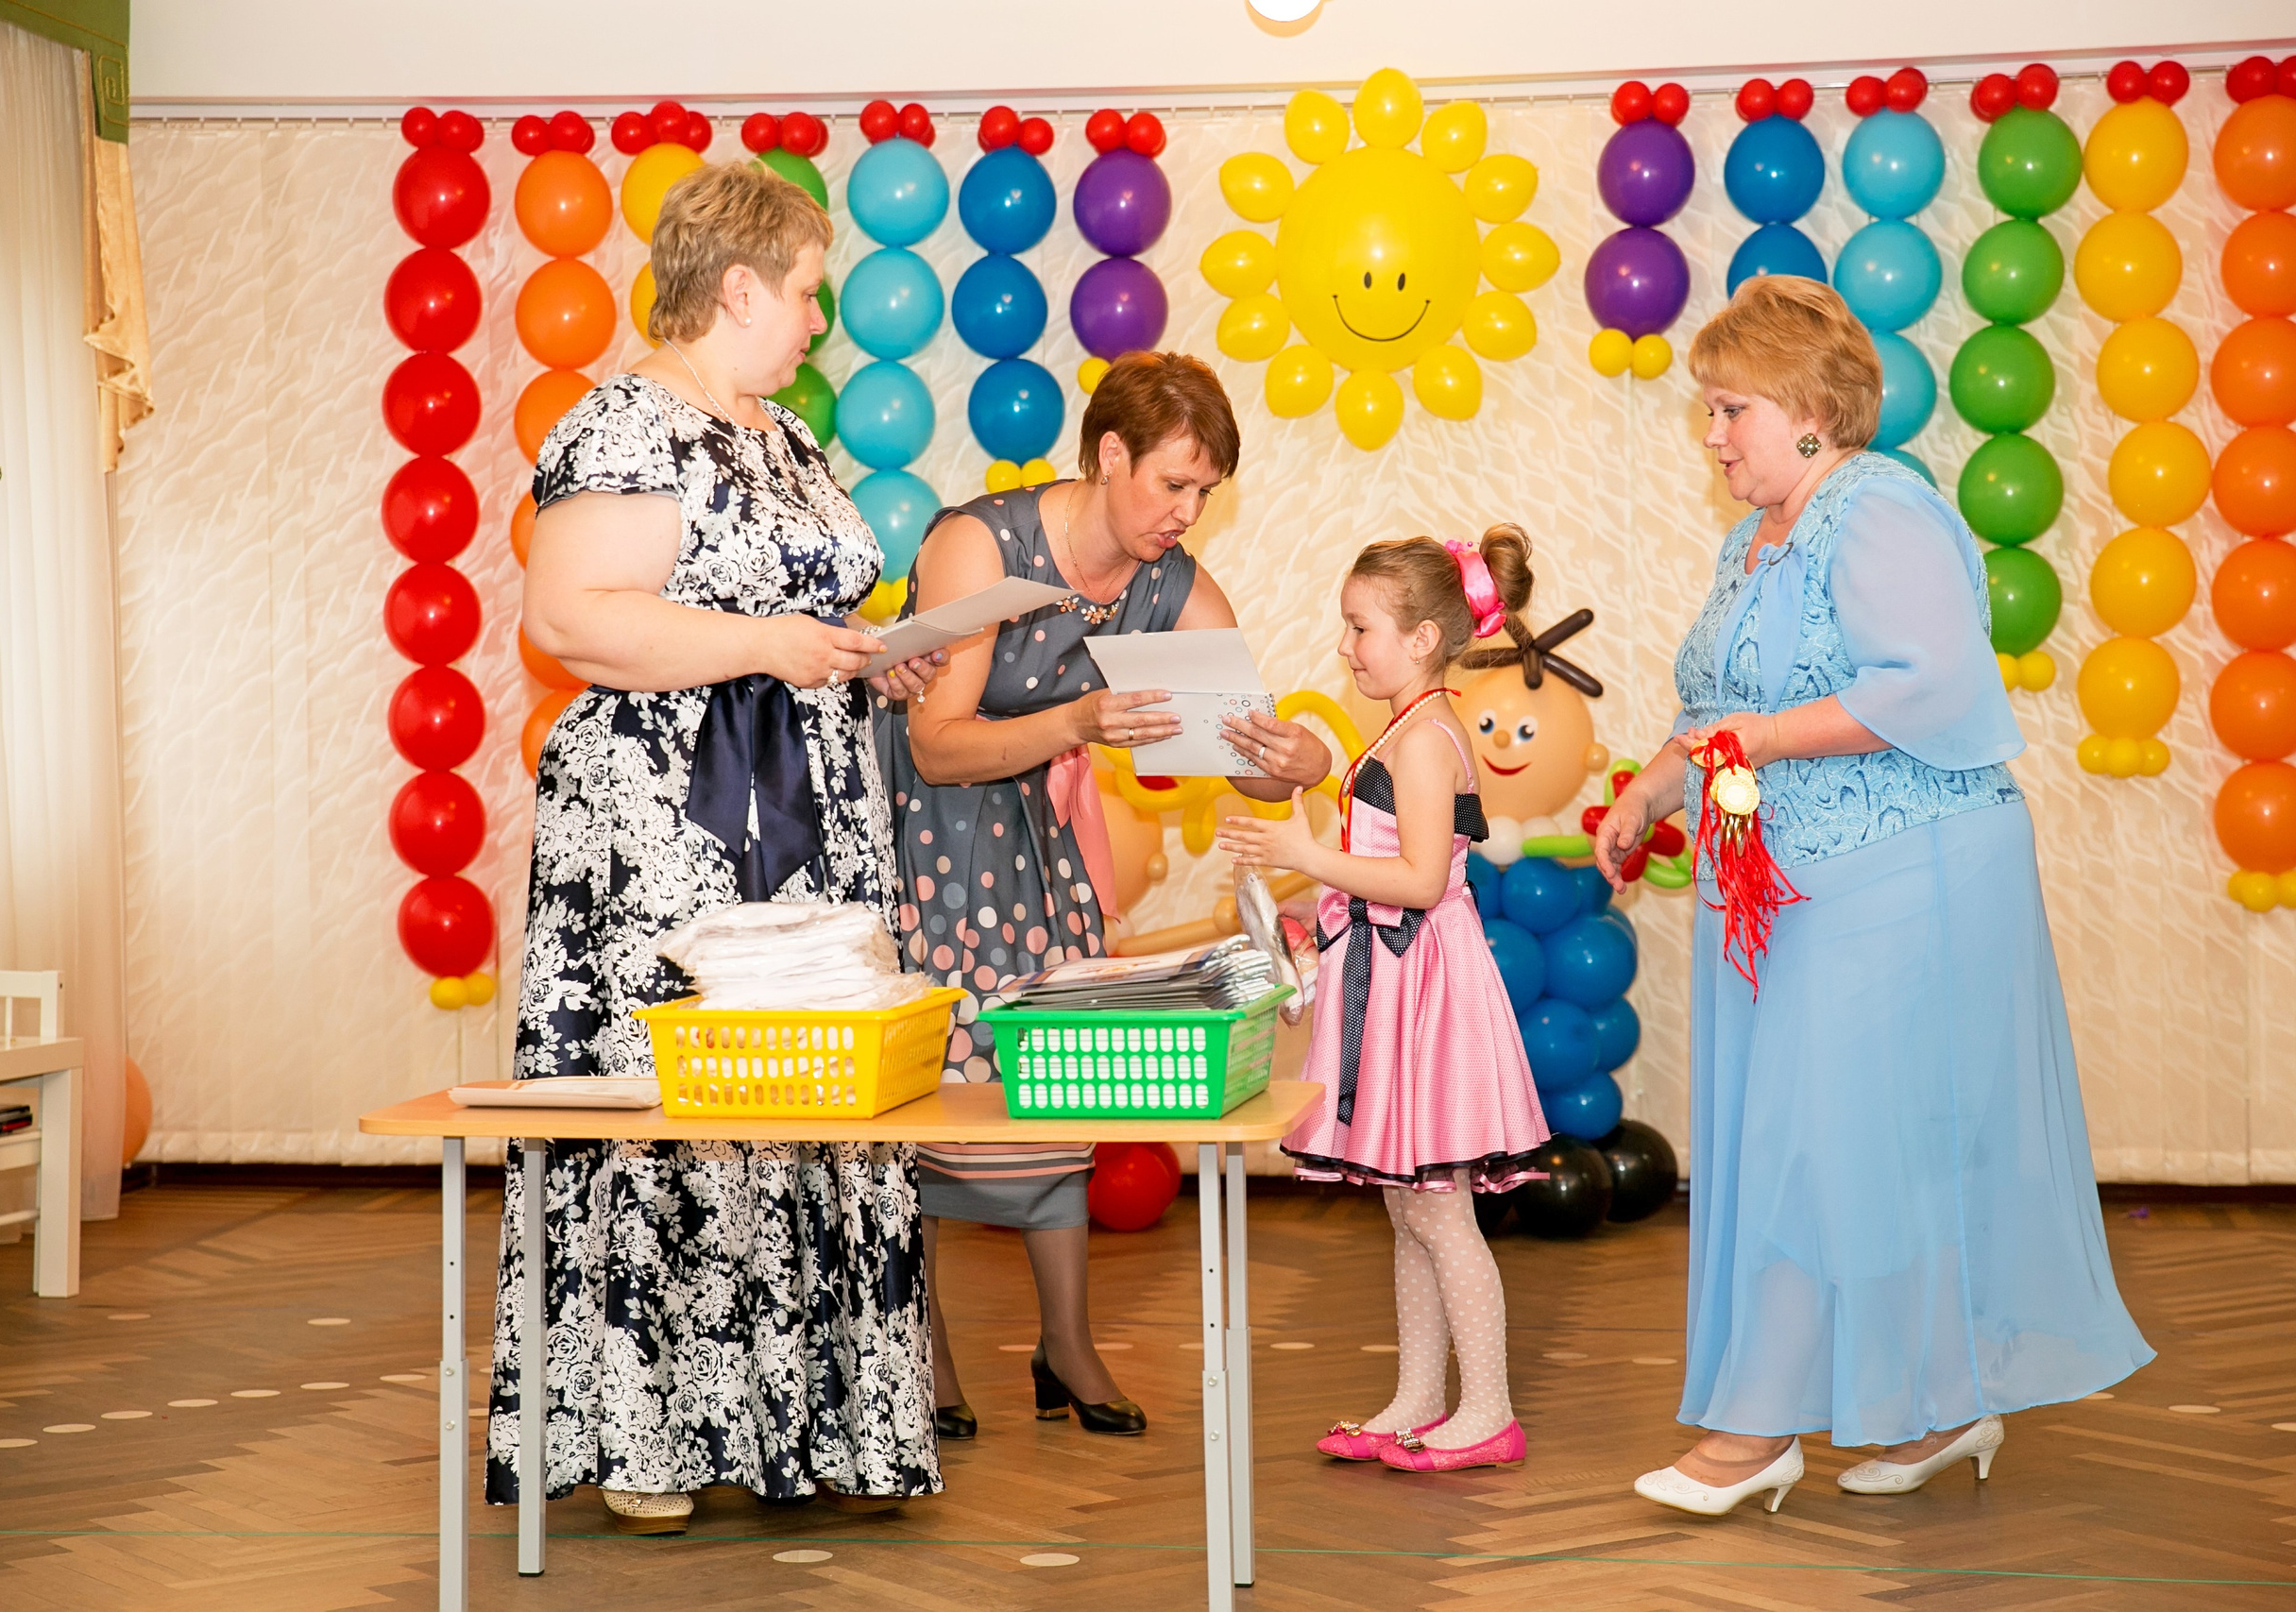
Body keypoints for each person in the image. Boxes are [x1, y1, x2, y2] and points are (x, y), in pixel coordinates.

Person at [1591, 276, 2152, 1518]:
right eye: (1709, 409)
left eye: (1729, 406)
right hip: (1785, 881)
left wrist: (1761, 740)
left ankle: (1755, 1428)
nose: (1713, 432)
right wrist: (1650, 790)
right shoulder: (1755, 535)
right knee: (1872, 1147)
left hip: (1911, 872)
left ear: (1806, 408)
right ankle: (1943, 1401)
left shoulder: (1879, 507)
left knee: (1822, 1135)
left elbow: (1933, 682)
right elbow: (1715, 702)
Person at [489, 162, 945, 1535]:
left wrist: (867, 663)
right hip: (667, 833)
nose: (819, 320)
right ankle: (652, 1433)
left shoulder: (785, 435)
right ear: (737, 286)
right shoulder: (621, 423)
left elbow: (792, 615)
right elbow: (573, 619)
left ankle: (809, 1420)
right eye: (806, 292)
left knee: (804, 1102)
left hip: (800, 815)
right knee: (674, 1103)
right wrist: (766, 646)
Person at [876, 351, 1334, 1440]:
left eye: (1205, 494)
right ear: (1109, 454)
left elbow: (1252, 756)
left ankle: (1066, 1346)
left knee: (1060, 1076)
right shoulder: (979, 544)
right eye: (1171, 484)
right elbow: (936, 747)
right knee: (926, 1101)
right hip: (916, 840)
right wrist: (1080, 725)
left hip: (1028, 833)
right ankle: (924, 1358)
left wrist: (1297, 757)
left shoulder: (1168, 583)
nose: (1186, 513)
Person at [1217, 528, 1553, 1474]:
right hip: (1394, 983)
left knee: (1440, 1211)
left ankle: (1486, 1409)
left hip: (1424, 987)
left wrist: (1301, 856)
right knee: (1409, 1207)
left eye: (1359, 626)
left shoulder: (1425, 740)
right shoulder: (1408, 729)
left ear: (1417, 641)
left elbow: (1412, 878)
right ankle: (1419, 1396)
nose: (1344, 644)